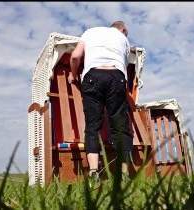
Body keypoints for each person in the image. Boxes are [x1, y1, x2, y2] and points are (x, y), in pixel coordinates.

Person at [68, 21, 133, 183]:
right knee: (119, 126)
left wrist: (73, 75)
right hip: (116, 77)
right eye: (126, 33)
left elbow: (75, 56)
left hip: (92, 77)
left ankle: (93, 173)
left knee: (92, 126)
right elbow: (124, 66)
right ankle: (124, 174)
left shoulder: (90, 32)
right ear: (123, 29)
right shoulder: (122, 38)